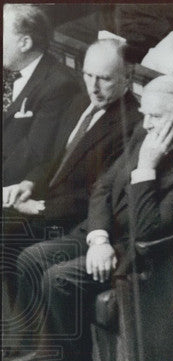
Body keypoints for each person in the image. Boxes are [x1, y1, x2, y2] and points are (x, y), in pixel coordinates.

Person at [8, 76, 173, 361]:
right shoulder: (147, 132)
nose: (147, 123)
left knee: (59, 279)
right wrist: (97, 238)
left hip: (139, 255)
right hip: (104, 236)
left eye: (156, 116)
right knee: (30, 259)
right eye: (145, 114)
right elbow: (103, 186)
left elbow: (149, 230)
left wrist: (146, 168)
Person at [3, 40, 139, 244]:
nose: (93, 88)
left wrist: (40, 208)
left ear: (128, 77)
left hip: (70, 220)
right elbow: (54, 157)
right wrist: (28, 183)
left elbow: (101, 192)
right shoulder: (79, 102)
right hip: (39, 199)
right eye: (88, 75)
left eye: (104, 79)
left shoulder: (133, 125)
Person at [2, 4, 83, 189]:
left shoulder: (59, 86)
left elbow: (34, 153)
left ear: (25, 43)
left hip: (13, 184)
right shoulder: (8, 67)